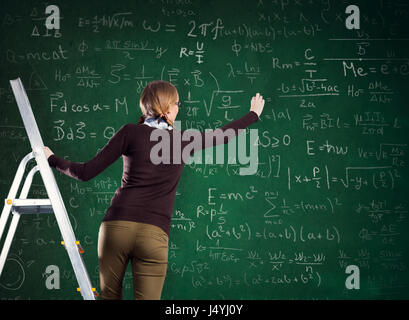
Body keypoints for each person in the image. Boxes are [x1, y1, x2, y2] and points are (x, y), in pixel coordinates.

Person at [43, 80, 265, 300]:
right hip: (154, 235)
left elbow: (85, 172)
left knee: (109, 297)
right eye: (178, 103)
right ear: (167, 107)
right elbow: (222, 134)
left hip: (116, 228)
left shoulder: (130, 132)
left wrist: (51, 158)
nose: (179, 108)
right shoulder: (182, 141)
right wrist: (252, 115)